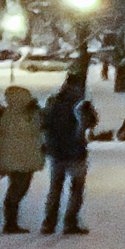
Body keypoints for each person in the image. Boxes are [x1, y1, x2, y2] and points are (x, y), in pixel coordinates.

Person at [40, 73, 98, 234]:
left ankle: (49, 222)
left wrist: (49, 144)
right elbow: (91, 122)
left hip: (57, 151)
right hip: (75, 151)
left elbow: (45, 124)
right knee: (76, 188)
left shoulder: (54, 102)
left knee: (55, 188)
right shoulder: (80, 103)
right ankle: (70, 222)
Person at [0, 85, 43, 233]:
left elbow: (1, 131)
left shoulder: (7, 114)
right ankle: (10, 223)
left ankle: (10, 222)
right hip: (25, 157)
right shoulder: (28, 114)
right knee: (19, 189)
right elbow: (35, 131)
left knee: (15, 188)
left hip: (13, 158)